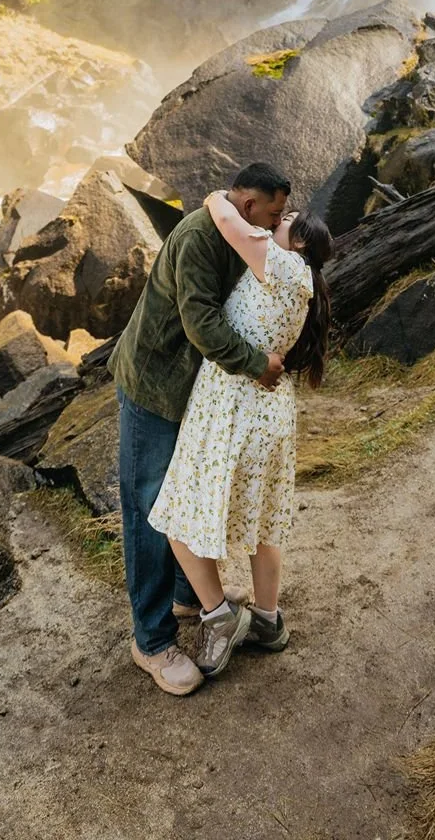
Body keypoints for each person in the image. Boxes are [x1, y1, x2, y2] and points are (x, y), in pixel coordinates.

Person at [107, 162, 293, 697]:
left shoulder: (241, 226)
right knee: (148, 508)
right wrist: (257, 363)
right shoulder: (198, 240)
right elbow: (202, 324)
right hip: (153, 386)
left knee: (192, 492)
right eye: (274, 213)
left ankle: (191, 595)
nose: (277, 222)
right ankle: (151, 640)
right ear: (250, 204)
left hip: (194, 392)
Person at [148, 191, 332, 683]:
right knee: (263, 522)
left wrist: (215, 196)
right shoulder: (301, 281)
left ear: (299, 246)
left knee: (178, 517)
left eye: (285, 220)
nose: (276, 222)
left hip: (234, 409)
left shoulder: (286, 267)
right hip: (269, 413)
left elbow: (230, 222)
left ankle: (217, 615)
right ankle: (268, 622)